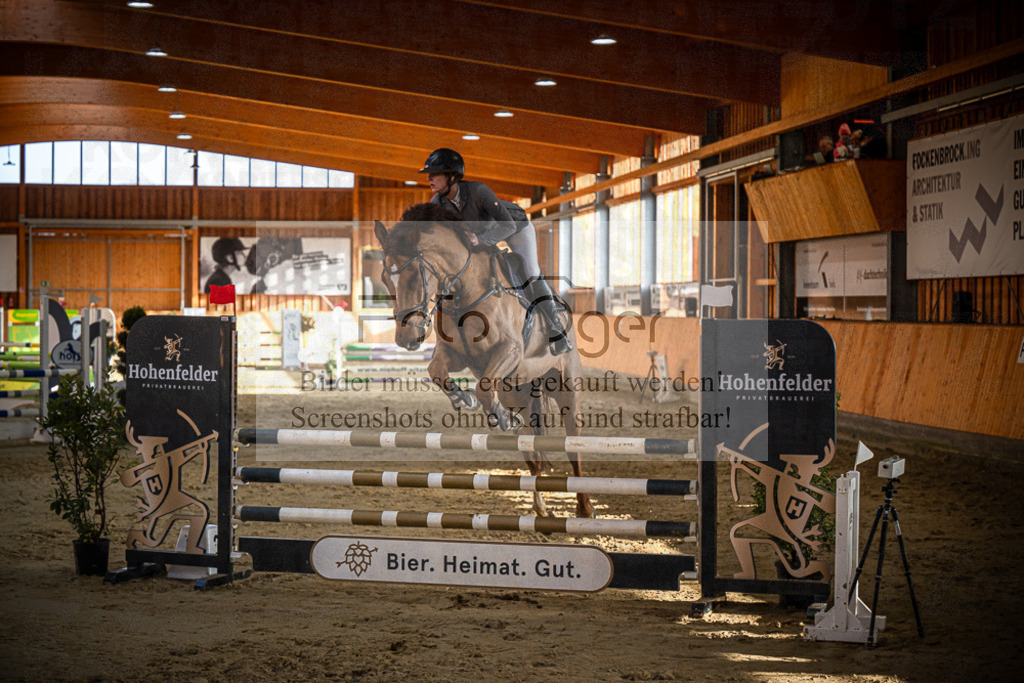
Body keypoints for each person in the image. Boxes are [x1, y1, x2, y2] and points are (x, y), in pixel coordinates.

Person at [418, 147, 573, 355]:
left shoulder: (479, 191)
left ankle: (557, 331)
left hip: (514, 227)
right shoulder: (437, 203)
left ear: (452, 176)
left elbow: (507, 226)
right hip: (480, 238)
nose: (429, 179)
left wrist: (480, 240)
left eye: (435, 174)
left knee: (531, 271)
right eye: (429, 175)